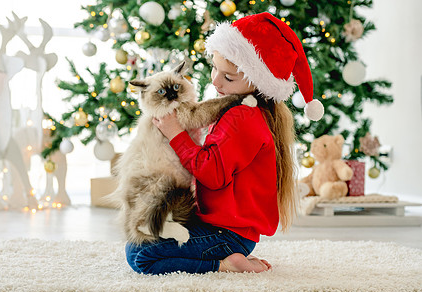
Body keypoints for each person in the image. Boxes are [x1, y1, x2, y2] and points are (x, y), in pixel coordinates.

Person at [125, 12, 324, 275]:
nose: (215, 81)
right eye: (214, 68)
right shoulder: (245, 109)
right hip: (226, 226)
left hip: (227, 233)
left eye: (228, 77)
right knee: (140, 238)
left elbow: (211, 173)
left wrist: (175, 133)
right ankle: (225, 254)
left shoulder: (243, 117)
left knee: (140, 255)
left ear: (258, 81)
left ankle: (224, 264)